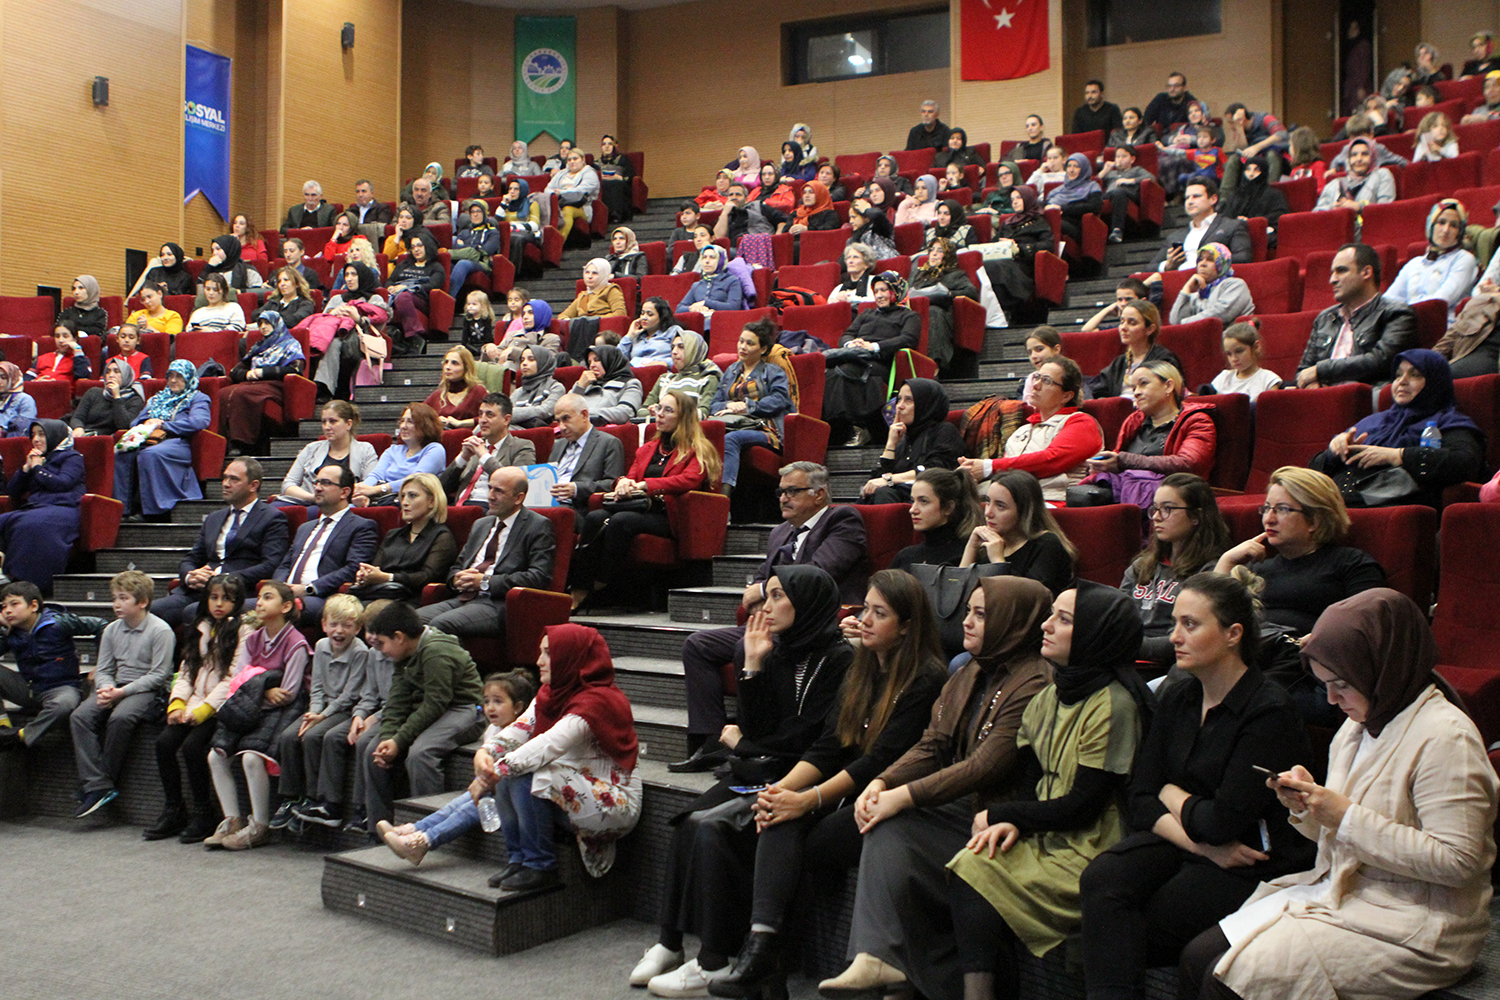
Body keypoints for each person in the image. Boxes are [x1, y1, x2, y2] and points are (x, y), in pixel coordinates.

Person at [1180, 589, 1499, 1000]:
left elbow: (1459, 862)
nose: (1331, 699)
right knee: (1196, 958)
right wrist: (1309, 807)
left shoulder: (1446, 739)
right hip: (1346, 892)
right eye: (1324, 685)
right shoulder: (1358, 724)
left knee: (1230, 981)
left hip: (1418, 924)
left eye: (1342, 685)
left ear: (1383, 670)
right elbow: (1339, 836)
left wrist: (1343, 816)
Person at [641, 570, 943, 998]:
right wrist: (788, 791)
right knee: (726, 818)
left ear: (908, 626)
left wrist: (804, 797)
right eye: (865, 610)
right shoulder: (862, 666)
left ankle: (762, 960)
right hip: (820, 779)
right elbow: (826, 745)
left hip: (887, 793)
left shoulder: (922, 677)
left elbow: (879, 761)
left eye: (880, 613)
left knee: (798, 836)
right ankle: (748, 955)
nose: (865, 621)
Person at [1078, 572, 1316, 999]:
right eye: (1174, 624)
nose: (1173, 637)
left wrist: (1171, 793)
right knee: (1102, 877)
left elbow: (1222, 821)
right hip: (1194, 845)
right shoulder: (1178, 694)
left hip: (1254, 860)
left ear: (1233, 634)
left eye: (1190, 624)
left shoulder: (1268, 710)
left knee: (1135, 920)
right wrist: (1200, 845)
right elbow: (1140, 799)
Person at [816, 577, 1052, 1000]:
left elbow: (985, 766)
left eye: (982, 614)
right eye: (968, 611)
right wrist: (883, 782)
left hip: (1002, 818)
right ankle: (879, 959)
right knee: (882, 824)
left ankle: (888, 962)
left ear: (1012, 622)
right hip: (961, 807)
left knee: (891, 822)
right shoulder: (970, 670)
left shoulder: (1034, 681)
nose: (968, 622)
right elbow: (933, 743)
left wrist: (900, 795)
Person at [646, 566, 853, 995]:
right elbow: (759, 729)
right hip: (768, 764)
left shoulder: (841, 659)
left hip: (806, 776)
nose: (766, 608)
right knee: (687, 818)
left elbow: (810, 737)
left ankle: (713, 958)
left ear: (807, 602)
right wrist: (754, 665)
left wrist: (746, 745)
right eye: (767, 597)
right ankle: (669, 941)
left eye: (778, 596)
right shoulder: (777, 651)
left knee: (712, 827)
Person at [944, 583, 1152, 1000]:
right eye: (1051, 614)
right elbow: (1031, 782)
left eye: (1064, 619)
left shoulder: (1113, 705)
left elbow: (1083, 806)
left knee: (977, 867)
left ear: (1096, 634)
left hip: (1091, 843)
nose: (1046, 625)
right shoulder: (1050, 695)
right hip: (1050, 828)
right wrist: (1014, 822)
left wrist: (1008, 817)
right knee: (972, 862)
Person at [670, 462, 869, 772]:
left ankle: (756, 744)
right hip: (776, 619)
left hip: (815, 624)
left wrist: (763, 590)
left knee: (745, 649)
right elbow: (755, 591)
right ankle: (711, 740)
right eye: (781, 491)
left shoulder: (841, 519)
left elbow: (819, 573)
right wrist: (764, 593)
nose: (783, 498)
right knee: (697, 644)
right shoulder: (779, 533)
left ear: (819, 494)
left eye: (792, 491)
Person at [568, 390, 718, 610]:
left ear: (683, 417)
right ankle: (579, 586)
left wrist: (647, 485)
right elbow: (632, 475)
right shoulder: (647, 449)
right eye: (659, 408)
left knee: (621, 521)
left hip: (668, 515)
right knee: (595, 518)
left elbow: (689, 480)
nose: (660, 414)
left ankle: (601, 584)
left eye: (668, 410)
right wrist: (624, 483)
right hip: (637, 507)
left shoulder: (699, 449)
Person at [374, 669, 534, 859]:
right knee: (455, 805)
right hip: (491, 790)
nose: (490, 708)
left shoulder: (523, 736)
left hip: (512, 797)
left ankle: (423, 841)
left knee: (467, 809)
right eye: (487, 701)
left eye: (498, 702)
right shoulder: (491, 730)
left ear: (518, 707)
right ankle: (413, 829)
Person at [1214, 465, 1386, 642]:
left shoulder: (1351, 564)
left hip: (1310, 658)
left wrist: (1318, 641)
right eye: (1266, 508)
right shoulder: (1257, 568)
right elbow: (1212, 623)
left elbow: (1369, 624)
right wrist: (1226, 562)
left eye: (1282, 509)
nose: (1268, 519)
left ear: (1315, 520)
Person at [202, 580, 313, 851]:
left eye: (267, 597)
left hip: (282, 712)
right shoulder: (252, 639)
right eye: (259, 597)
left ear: (286, 606)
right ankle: (232, 819)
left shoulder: (296, 642)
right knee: (215, 756)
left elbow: (287, 691)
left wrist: (259, 690)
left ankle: (259, 825)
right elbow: (238, 680)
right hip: (250, 708)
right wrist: (263, 690)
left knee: (252, 758)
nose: (259, 603)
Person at [361, 601, 486, 835]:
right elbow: (397, 702)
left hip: (465, 709)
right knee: (372, 750)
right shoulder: (404, 653)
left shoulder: (436, 651)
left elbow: (435, 703)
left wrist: (399, 741)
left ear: (398, 637)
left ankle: (427, 828)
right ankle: (379, 829)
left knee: (421, 754)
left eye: (383, 643)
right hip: (432, 708)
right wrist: (388, 738)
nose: (381, 651)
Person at [1311, 350, 1485, 509]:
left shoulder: (1449, 421)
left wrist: (1397, 455)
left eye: (1415, 375)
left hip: (1391, 505)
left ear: (1435, 382)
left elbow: (1464, 463)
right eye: (1398, 375)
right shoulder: (1375, 420)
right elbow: (1314, 470)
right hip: (1337, 498)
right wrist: (1334, 451)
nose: (1402, 381)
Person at [144, 574, 247, 842]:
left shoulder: (242, 630)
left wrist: (203, 711)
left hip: (219, 707)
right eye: (214, 597)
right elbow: (187, 670)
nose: (219, 604)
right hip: (191, 704)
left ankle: (204, 811)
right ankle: (174, 808)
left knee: (192, 748)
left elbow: (231, 678)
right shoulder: (200, 625)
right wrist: (177, 704)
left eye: (226, 599)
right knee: (164, 744)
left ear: (237, 603)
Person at [67, 570, 174, 818]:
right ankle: (98, 784)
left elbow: (158, 675)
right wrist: (105, 688)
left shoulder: (161, 631)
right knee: (79, 716)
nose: (116, 604)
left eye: (123, 598)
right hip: (115, 686)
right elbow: (104, 669)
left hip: (147, 689)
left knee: (121, 718)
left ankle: (101, 782)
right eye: (115, 598)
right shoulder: (112, 630)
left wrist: (120, 692)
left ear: (142, 602)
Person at [419, 466, 557, 639]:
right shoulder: (481, 524)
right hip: (464, 598)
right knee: (411, 621)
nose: (490, 496)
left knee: (440, 624)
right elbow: (457, 566)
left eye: (498, 491)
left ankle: (458, 666)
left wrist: (485, 582)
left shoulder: (537, 526)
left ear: (518, 498)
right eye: (490, 488)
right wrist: (457, 579)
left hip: (499, 603)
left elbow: (539, 577)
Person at [271, 593, 375, 822]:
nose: (339, 631)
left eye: (347, 626)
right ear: (324, 625)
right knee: (288, 736)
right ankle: (292, 796)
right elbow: (316, 686)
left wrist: (322, 716)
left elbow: (350, 695)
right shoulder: (320, 646)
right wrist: (314, 712)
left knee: (314, 735)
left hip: (344, 708)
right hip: (322, 707)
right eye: (334, 624)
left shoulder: (360, 652)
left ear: (357, 628)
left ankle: (318, 797)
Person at [154, 457, 289, 628]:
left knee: (193, 611)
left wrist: (224, 579)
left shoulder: (272, 518)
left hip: (236, 592)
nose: (225, 483)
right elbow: (192, 558)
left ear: (253, 486)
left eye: (234, 479)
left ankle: (196, 655)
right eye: (225, 478)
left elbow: (271, 564)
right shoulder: (214, 518)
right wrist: (190, 576)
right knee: (153, 610)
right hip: (200, 590)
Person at [959, 358, 1103, 504]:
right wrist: (973, 472)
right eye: (1036, 377)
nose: (1035, 385)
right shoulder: (1021, 431)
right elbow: (1007, 469)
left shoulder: (1081, 422)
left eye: (1046, 381)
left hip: (1050, 502)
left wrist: (988, 467)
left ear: (1067, 395)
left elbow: (1051, 460)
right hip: (1010, 502)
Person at [1123, 473, 1231, 668]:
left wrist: (1126, 645)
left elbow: (1187, 640)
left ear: (1196, 517)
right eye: (1155, 509)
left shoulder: (1210, 571)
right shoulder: (1141, 566)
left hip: (1172, 668)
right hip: (1128, 660)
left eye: (1167, 509)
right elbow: (1118, 618)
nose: (1156, 517)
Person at [1085, 362, 1218, 502]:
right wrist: (1107, 466)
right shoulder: (1134, 421)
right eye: (1134, 388)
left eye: (1143, 384)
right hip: (1130, 490)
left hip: (1175, 494)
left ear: (1168, 386)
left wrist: (1124, 460)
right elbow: (1123, 465)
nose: (1136, 392)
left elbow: (1189, 464)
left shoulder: (1198, 421)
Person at [1296, 243, 1417, 388]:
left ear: (1366, 272)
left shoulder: (1397, 313)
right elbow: (1303, 371)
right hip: (1322, 399)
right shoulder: (1325, 318)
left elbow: (1380, 361)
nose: (1332, 280)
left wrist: (1321, 371)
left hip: (1366, 397)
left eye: (1341, 271)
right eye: (1332, 273)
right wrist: (1312, 387)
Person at [273, 464, 380, 621]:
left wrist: (310, 589)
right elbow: (285, 565)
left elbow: (353, 569)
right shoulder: (305, 527)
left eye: (325, 483)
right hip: (286, 595)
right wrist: (281, 587)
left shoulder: (361, 526)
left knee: (283, 611)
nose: (317, 488)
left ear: (345, 492)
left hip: (323, 597)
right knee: (240, 606)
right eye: (317, 483)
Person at [823, 273, 919, 448]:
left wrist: (874, 347)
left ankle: (855, 425)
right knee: (831, 373)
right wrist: (853, 344)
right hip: (856, 356)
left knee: (846, 371)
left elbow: (907, 339)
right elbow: (846, 335)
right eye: (876, 291)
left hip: (881, 362)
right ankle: (840, 426)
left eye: (884, 290)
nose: (879, 295)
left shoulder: (908, 316)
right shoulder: (867, 313)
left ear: (896, 291)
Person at [0, 581, 96, 751]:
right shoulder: (11, 632)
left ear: (33, 605)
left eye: (14, 604)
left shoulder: (58, 623)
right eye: (3, 606)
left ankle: (20, 736)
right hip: (29, 689)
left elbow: (102, 626)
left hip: (61, 688)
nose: (7, 610)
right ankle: (3, 726)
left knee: (64, 706)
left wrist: (102, 664)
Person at [114, 361, 212, 521]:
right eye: (170, 376)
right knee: (122, 453)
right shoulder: (157, 399)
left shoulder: (198, 398)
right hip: (149, 439)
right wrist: (148, 421)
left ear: (188, 378)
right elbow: (134, 422)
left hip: (178, 442)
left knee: (150, 455)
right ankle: (123, 510)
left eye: (179, 376)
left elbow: (199, 422)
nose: (173, 380)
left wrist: (165, 425)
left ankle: (153, 512)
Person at [709, 319, 793, 500]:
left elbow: (780, 400)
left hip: (766, 428)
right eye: (741, 341)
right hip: (734, 424)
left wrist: (748, 406)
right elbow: (714, 404)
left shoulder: (773, 371)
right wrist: (728, 405)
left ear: (763, 349)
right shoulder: (731, 371)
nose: (742, 347)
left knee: (730, 440)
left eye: (750, 343)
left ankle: (722, 502)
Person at [960, 470, 1076, 596]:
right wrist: (971, 548)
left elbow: (1028, 601)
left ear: (1024, 512)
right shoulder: (986, 541)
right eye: (988, 502)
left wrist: (998, 561)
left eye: (1000, 506)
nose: (988, 513)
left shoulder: (1047, 544)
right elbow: (957, 593)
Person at [0, 420, 83, 591]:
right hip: (36, 508)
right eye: (33, 435)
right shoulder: (38, 460)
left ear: (55, 435)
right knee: (8, 520)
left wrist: (38, 469)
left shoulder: (72, 457)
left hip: (63, 509)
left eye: (42, 434)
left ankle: (23, 583)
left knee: (32, 524)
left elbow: (63, 483)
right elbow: (13, 491)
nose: (36, 439)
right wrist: (25, 469)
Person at [350, 473, 459, 603]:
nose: (405, 502)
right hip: (379, 595)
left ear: (432, 501)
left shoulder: (441, 537)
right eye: (402, 496)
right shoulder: (393, 535)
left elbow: (427, 577)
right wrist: (366, 575)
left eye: (412, 496)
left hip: (409, 601)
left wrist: (388, 577)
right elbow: (376, 568)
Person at [860, 378, 964, 504]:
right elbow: (876, 480)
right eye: (899, 400)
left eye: (908, 400)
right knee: (867, 496)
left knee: (884, 493)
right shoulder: (904, 441)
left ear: (925, 404)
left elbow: (935, 470)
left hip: (932, 500)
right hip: (901, 498)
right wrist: (891, 444)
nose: (899, 407)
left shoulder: (944, 431)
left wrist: (890, 479)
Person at [217, 313, 305, 455]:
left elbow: (295, 369)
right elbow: (235, 371)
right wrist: (246, 374)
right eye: (260, 324)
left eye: (267, 323)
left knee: (241, 394)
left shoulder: (291, 344)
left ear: (277, 324)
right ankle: (224, 442)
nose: (263, 327)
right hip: (252, 383)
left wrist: (263, 372)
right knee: (222, 393)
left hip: (275, 385)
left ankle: (241, 443)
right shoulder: (258, 346)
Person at [1386, 199, 1477, 322]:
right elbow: (1389, 300)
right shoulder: (1414, 263)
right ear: (1431, 225)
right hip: (1407, 325)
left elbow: (1441, 301)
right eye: (1441, 222)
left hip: (1443, 328)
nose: (1446, 230)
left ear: (1460, 232)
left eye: (1454, 225)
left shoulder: (1464, 259)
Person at [439, 393, 537, 507]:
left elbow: (517, 485)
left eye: (490, 415)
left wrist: (484, 456)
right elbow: (442, 489)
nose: (482, 420)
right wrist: (463, 458)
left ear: (506, 419)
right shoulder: (475, 446)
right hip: (460, 506)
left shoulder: (522, 446)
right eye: (480, 414)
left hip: (491, 509)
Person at [279, 401, 379, 504]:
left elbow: (369, 486)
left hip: (344, 505)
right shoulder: (311, 448)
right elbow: (288, 485)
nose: (326, 427)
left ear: (348, 424)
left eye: (333, 421)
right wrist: (315, 497)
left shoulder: (365, 450)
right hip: (308, 503)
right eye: (324, 422)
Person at [1087, 300, 1185, 399]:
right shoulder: (1119, 363)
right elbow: (1100, 390)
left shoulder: (1164, 360)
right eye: (1122, 321)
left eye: (1132, 323)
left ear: (1150, 329)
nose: (1123, 327)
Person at [890, 468, 981, 572]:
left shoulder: (968, 554)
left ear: (948, 508)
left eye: (924, 501)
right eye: (912, 501)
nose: (912, 510)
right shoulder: (906, 556)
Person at [984, 187, 1056, 317]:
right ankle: (1001, 310)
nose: (1015, 202)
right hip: (1003, 260)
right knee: (988, 266)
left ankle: (1009, 308)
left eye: (1018, 198)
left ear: (1027, 199)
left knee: (997, 266)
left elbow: (1048, 245)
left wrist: (1019, 248)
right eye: (1012, 199)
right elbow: (992, 243)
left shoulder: (1038, 221)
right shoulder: (1007, 223)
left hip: (1023, 263)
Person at [355, 404, 447, 504]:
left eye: (410, 422)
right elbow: (376, 474)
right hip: (386, 500)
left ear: (426, 425)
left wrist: (378, 489)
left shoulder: (435, 449)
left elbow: (415, 481)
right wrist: (362, 491)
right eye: (402, 421)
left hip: (415, 503)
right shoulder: (393, 450)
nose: (403, 426)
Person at [1154, 178, 1252, 272]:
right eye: (1187, 198)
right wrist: (1168, 266)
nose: (1190, 202)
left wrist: (1209, 260)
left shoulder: (1232, 226)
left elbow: (1243, 257)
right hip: (1180, 283)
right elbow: (1151, 267)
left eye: (1196, 196)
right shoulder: (1175, 236)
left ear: (1213, 199)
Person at [638, 330, 722, 420]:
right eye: (672, 347)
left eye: (681, 347)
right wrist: (657, 411)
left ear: (694, 350)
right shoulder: (665, 378)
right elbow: (641, 412)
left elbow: (703, 413)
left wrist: (666, 412)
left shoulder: (708, 379)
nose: (674, 352)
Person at [1170, 243, 1256, 325]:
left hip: (1230, 338)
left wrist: (1184, 323)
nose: (1202, 264)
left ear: (1222, 264)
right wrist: (1187, 288)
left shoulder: (1235, 285)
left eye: (1210, 259)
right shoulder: (1196, 295)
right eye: (1200, 259)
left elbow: (1218, 315)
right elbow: (1174, 321)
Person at [1220, 156, 1290, 249]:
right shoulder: (1235, 195)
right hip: (1236, 233)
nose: (1251, 173)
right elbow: (1226, 215)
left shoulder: (1274, 194)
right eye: (1248, 169)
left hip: (1262, 232)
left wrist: (1251, 221)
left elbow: (1279, 215)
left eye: (1256, 170)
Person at [1314, 138, 1396, 215]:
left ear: (1372, 157)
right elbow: (1317, 214)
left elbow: (1386, 209)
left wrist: (1358, 207)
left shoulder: (1381, 175)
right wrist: (1334, 209)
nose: (1359, 159)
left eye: (1364, 154)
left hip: (1372, 227)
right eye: (1354, 155)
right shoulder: (1334, 184)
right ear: (1348, 159)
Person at [68, 358, 145, 438]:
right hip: (84, 435)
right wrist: (78, 427)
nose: (111, 375)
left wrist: (117, 397)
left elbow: (124, 426)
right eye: (108, 372)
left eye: (116, 371)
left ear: (126, 376)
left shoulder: (135, 399)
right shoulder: (93, 392)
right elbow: (77, 417)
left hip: (106, 440)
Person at [573, 344, 645, 425]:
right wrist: (580, 386)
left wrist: (585, 414)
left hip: (602, 429)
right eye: (589, 362)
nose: (592, 365)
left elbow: (626, 412)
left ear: (610, 360)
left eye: (597, 360)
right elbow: (564, 408)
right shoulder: (585, 383)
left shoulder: (630, 383)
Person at [1211, 322, 1285, 400]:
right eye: (1229, 354)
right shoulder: (1223, 378)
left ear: (1256, 347)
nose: (1234, 359)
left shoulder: (1268, 380)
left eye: (1239, 351)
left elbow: (1268, 409)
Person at [422, 346, 487, 430]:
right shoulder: (437, 395)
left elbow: (492, 418)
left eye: (454, 363)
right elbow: (416, 415)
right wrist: (435, 421)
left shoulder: (478, 391)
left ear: (466, 368)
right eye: (446, 362)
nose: (447, 367)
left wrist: (461, 423)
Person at [1099, 145, 1154, 243]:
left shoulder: (1136, 170)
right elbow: (1093, 183)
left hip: (1128, 194)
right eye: (1117, 157)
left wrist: (1130, 181)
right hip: (1110, 194)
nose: (1120, 159)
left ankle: (1117, 230)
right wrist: (1104, 171)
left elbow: (1151, 177)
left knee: (1119, 192)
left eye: (1124, 156)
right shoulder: (1111, 173)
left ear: (1132, 159)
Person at [447, 199, 502, 299]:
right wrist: (473, 249)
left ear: (484, 213)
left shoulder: (492, 232)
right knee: (446, 265)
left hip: (482, 264)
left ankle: (449, 301)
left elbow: (485, 251)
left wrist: (464, 248)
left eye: (478, 211)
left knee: (463, 263)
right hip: (461, 260)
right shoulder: (464, 232)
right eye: (472, 212)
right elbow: (456, 250)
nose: (475, 215)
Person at [1045, 154, 1103, 244]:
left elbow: (1094, 207)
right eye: (1069, 166)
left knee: (1052, 224)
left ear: (1084, 169)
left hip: (1074, 225)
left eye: (1076, 167)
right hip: (1053, 220)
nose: (1071, 170)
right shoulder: (1056, 191)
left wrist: (1062, 209)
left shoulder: (1092, 186)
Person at [546, 149, 600, 242]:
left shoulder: (590, 173)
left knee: (567, 210)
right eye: (569, 160)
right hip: (559, 205)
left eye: (575, 159)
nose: (572, 162)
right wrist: (554, 193)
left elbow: (581, 190)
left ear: (583, 160)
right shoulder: (561, 173)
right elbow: (547, 189)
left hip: (582, 207)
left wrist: (561, 192)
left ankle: (558, 242)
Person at [511, 345, 566, 429]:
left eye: (531, 359)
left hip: (539, 433)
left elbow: (544, 411)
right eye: (522, 360)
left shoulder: (556, 388)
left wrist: (510, 414)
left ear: (543, 362)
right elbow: (505, 414)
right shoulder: (518, 391)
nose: (524, 363)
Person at [619, 297, 680, 369]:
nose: (644, 318)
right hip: (635, 375)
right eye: (642, 313)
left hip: (661, 373)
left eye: (650, 314)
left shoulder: (673, 331)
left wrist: (665, 363)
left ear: (662, 317)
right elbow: (617, 359)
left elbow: (684, 356)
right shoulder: (636, 336)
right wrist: (629, 335)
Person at [1081, 277, 1150, 333]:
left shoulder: (1150, 323)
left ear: (1142, 300)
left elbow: (1156, 277)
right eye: (1120, 300)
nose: (1123, 304)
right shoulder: (1120, 328)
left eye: (1128, 299)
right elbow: (1086, 331)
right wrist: (1108, 310)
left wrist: (1141, 286)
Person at [847, 183, 897, 260]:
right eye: (850, 218)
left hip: (889, 265)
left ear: (866, 218)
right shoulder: (852, 240)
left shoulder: (879, 230)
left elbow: (877, 215)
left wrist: (866, 210)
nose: (851, 221)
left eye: (854, 217)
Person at [56, 275, 107, 339]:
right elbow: (58, 328)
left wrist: (73, 329)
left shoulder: (99, 313)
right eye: (74, 289)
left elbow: (98, 332)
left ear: (91, 290)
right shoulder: (67, 312)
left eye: (81, 288)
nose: (76, 292)